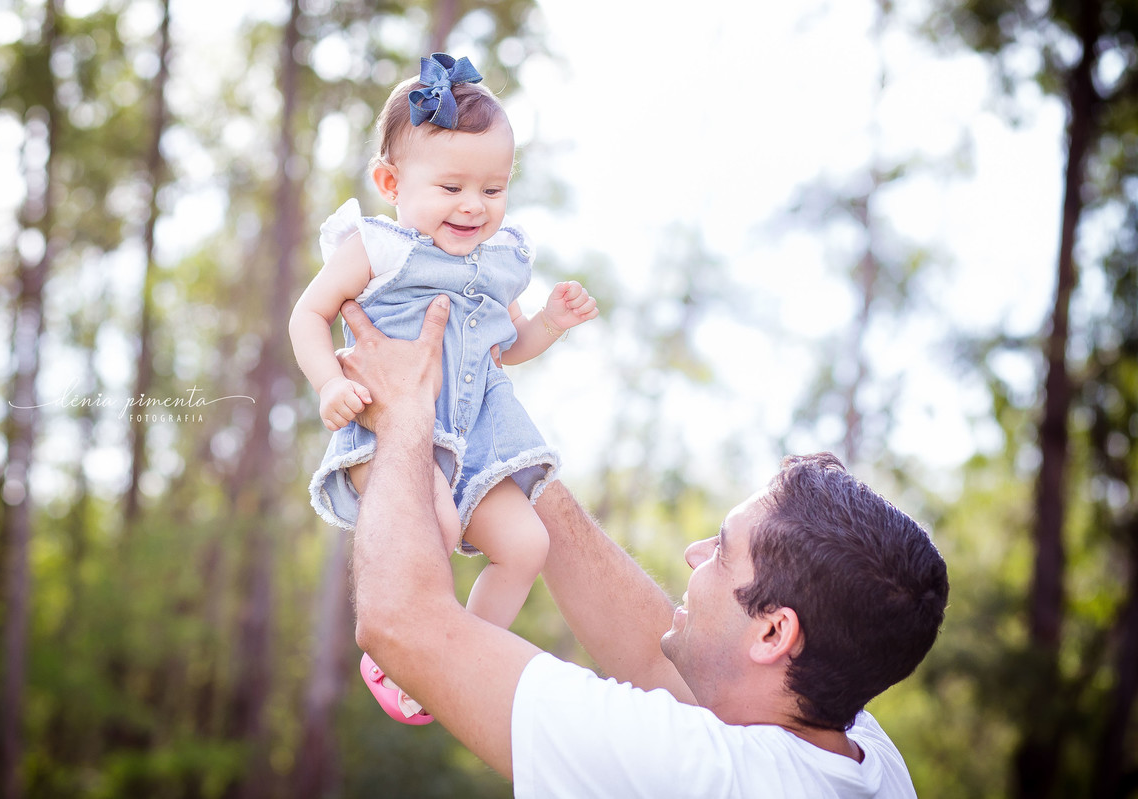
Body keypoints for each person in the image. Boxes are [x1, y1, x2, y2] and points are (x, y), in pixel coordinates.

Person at [339, 294, 950, 797]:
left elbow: (401, 622)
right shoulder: (862, 754)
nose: (694, 554)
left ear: (773, 632)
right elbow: (654, 660)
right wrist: (492, 421)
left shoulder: (699, 776)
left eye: (722, 551)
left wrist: (404, 413)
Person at [288, 53, 598, 723]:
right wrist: (327, 383)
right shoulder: (379, 248)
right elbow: (307, 314)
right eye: (452, 186)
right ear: (390, 182)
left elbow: (508, 347)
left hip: (476, 434)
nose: (473, 206)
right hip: (390, 429)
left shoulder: (502, 261)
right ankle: (402, 650)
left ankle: (457, 658)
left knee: (527, 545)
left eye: (493, 189)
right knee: (440, 522)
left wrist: (550, 322)